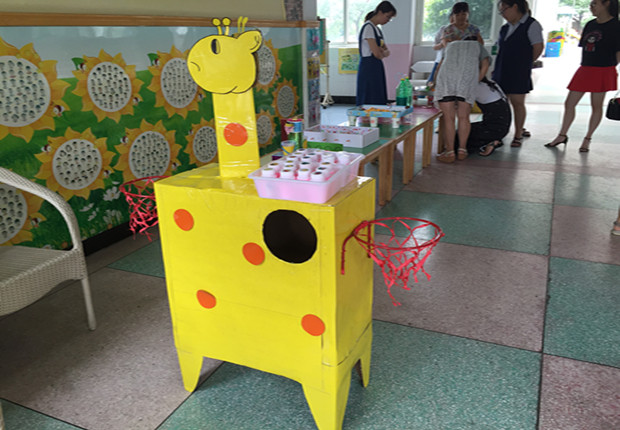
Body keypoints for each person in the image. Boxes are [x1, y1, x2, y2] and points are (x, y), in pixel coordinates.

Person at [545, 0, 620, 152]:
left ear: (606, 4)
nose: (591, 7)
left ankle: (587, 139)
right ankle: (562, 135)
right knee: (569, 103)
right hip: (585, 68)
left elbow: (618, 52)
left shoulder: (616, 26)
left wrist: (613, 68)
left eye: (594, 3)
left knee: (596, 105)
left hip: (604, 69)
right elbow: (584, 47)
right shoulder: (590, 24)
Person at [492, 0, 544, 148]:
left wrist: (525, 63)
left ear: (515, 6)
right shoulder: (505, 28)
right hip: (502, 69)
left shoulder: (531, 24)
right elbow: (499, 49)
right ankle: (499, 133)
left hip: (519, 71)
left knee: (517, 102)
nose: (503, 14)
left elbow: (538, 47)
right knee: (501, 103)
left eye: (504, 10)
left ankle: (518, 134)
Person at [435, 36, 491, 163]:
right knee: (464, 117)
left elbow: (440, 66)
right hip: (467, 80)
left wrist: (435, 82)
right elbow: (485, 64)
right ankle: (462, 150)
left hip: (446, 80)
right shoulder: (478, 46)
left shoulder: (451, 45)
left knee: (448, 119)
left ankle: (449, 152)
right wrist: (475, 81)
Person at [355, 1, 397, 106]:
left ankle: (378, 115)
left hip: (376, 66)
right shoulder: (368, 28)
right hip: (368, 67)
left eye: (390, 18)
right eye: (387, 17)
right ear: (380, 12)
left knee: (378, 94)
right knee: (369, 96)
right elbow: (377, 54)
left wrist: (382, 51)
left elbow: (386, 50)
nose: (388, 20)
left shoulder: (377, 29)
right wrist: (382, 52)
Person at [458, 77, 512, 156]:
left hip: (494, 129)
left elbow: (463, 111)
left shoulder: (474, 86)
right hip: (502, 127)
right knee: (464, 130)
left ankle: (488, 143)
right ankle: (493, 141)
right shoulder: (489, 82)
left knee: (459, 137)